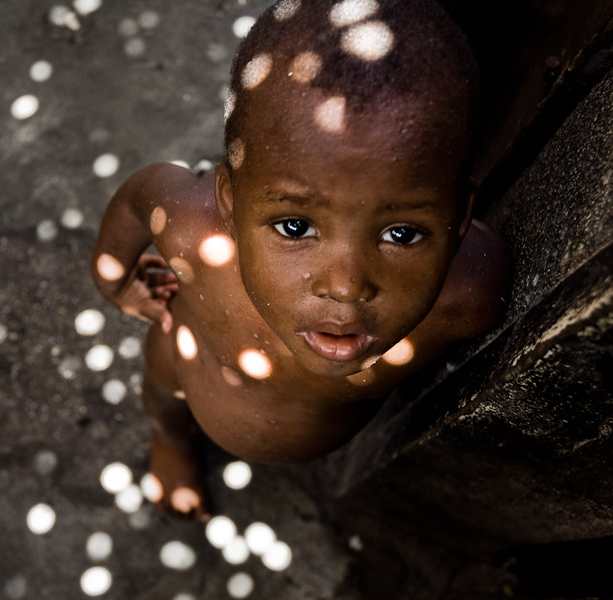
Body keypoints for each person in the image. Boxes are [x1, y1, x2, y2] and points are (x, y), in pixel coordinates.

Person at [91, 0, 508, 519]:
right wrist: (114, 280)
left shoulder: (468, 295)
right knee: (162, 394)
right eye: (295, 226)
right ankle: (169, 440)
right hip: (184, 365)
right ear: (229, 200)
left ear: (460, 216)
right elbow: (139, 197)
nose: (346, 286)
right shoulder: (190, 227)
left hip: (324, 432)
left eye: (401, 233)